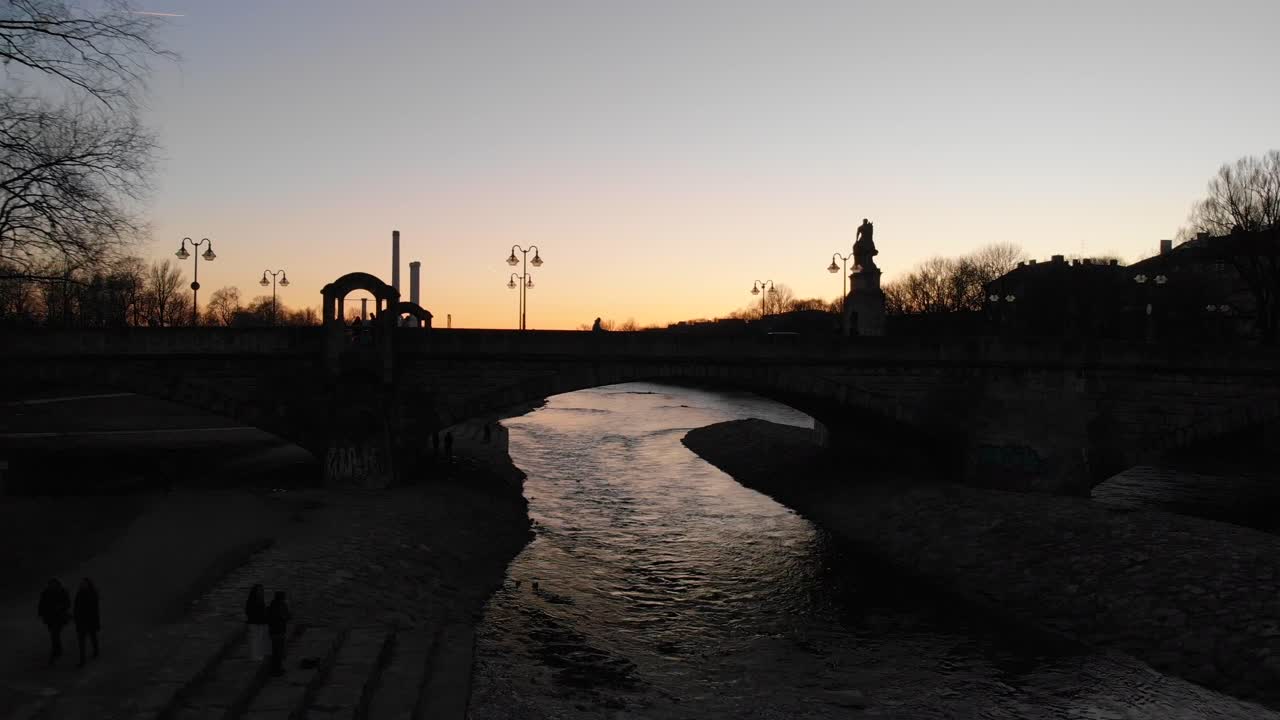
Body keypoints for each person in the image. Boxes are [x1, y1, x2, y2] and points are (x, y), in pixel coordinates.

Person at [37, 578, 70, 665]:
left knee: (55, 634)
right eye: (51, 584)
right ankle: (58, 649)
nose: (52, 586)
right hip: (50, 617)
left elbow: (67, 603)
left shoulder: (62, 592)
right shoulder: (46, 592)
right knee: (54, 634)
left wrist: (61, 607)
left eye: (54, 584)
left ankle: (55, 651)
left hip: (59, 617)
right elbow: (42, 603)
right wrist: (40, 613)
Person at [73, 578, 100, 667]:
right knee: (82, 641)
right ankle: (82, 660)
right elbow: (76, 607)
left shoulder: (92, 594)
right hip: (81, 621)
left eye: (84, 583)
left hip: (89, 620)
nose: (83, 585)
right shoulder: (79, 594)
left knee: (92, 637)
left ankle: (95, 651)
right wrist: (76, 617)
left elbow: (94, 609)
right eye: (82, 583)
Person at [266, 591, 291, 676]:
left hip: (272, 632)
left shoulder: (271, 606)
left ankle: (274, 669)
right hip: (279, 632)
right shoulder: (282, 606)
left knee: (275, 652)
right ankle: (277, 670)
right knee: (279, 651)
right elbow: (287, 616)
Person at [245, 584, 268, 662]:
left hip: (260, 622)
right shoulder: (252, 601)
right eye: (259, 590)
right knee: (254, 640)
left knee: (259, 639)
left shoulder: (261, 600)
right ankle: (254, 657)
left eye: (261, 590)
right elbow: (248, 611)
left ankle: (258, 656)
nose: (261, 592)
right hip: (254, 623)